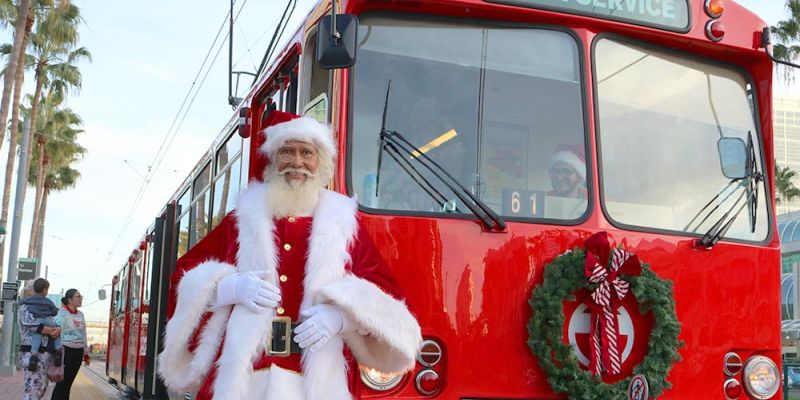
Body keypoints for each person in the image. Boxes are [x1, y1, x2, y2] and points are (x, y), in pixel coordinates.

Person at [158, 111, 422, 400]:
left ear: (319, 161)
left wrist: (341, 319)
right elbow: (184, 278)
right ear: (272, 159)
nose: (297, 162)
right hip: (245, 378)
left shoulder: (344, 223)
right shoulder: (242, 219)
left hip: (314, 378)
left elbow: (386, 296)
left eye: (306, 153)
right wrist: (227, 288)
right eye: (287, 151)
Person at [17, 278, 61, 400]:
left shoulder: (46, 306)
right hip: (31, 352)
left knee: (41, 385)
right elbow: (27, 323)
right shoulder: (24, 306)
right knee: (32, 386)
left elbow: (54, 320)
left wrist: (58, 328)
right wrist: (49, 330)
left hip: (45, 352)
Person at [51, 289, 90, 400]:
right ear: (70, 300)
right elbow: (56, 329)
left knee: (68, 384)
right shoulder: (62, 313)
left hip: (78, 352)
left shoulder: (81, 314)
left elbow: (84, 333)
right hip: (65, 351)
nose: (80, 298)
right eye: (78, 296)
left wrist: (86, 353)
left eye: (80, 296)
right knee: (62, 383)